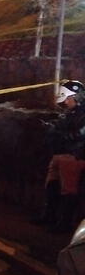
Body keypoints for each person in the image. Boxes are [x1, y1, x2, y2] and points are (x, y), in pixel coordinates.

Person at [33, 80, 85, 232]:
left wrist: (59, 134)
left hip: (74, 155)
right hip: (61, 154)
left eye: (68, 98)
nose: (66, 101)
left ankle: (64, 224)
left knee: (69, 190)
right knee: (52, 184)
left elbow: (78, 134)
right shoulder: (73, 112)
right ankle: (49, 216)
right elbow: (62, 127)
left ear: (77, 97)